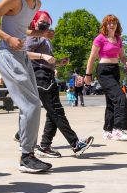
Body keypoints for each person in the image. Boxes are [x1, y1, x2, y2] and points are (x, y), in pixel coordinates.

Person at [0, 0, 57, 173]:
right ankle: (26, 156)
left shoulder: (37, 4)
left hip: (22, 55)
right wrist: (7, 38)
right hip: (7, 54)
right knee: (31, 104)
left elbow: (21, 28)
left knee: (32, 104)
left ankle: (26, 150)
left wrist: (42, 34)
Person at [27, 12, 94, 158]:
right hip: (40, 76)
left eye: (48, 22)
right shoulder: (34, 36)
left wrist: (58, 62)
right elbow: (24, 53)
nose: (45, 24)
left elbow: (46, 60)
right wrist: (42, 56)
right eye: (42, 21)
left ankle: (45, 145)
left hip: (48, 75)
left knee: (53, 112)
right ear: (34, 21)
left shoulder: (45, 38)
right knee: (57, 111)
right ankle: (75, 143)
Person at [85, 15, 127, 140]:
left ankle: (108, 130)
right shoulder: (100, 38)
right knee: (120, 98)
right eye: (109, 23)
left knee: (111, 101)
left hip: (115, 70)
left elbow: (122, 56)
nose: (112, 25)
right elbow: (92, 58)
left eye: (114, 23)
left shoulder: (118, 39)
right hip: (104, 71)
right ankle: (118, 129)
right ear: (105, 25)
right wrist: (88, 75)